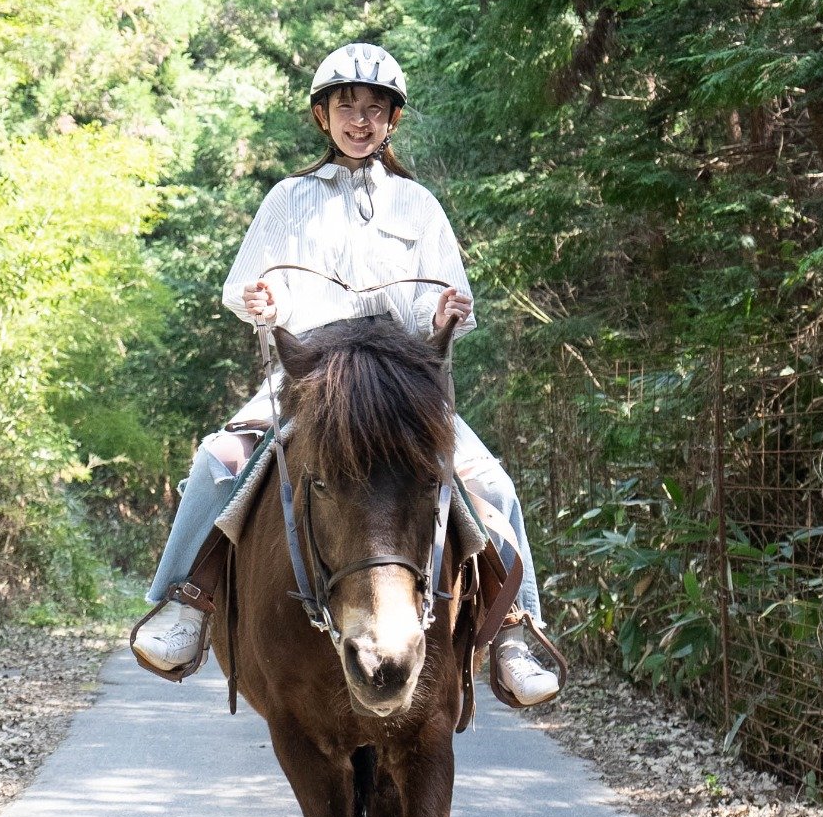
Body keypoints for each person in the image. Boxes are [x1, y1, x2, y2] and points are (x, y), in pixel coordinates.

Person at [132, 43, 559, 706]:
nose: (360, 120)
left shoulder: (418, 205)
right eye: (347, 107)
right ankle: (184, 603)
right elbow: (248, 287)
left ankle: (512, 629)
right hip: (314, 376)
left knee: (493, 488)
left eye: (374, 109)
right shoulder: (288, 198)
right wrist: (262, 303)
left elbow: (439, 304)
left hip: (399, 384)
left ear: (392, 121)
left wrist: (446, 309)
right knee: (217, 460)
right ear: (323, 116)